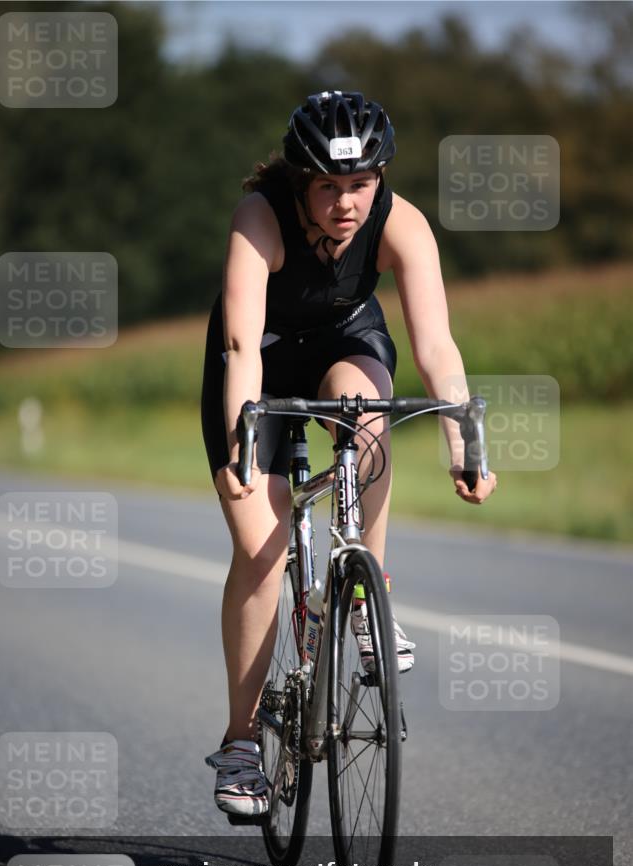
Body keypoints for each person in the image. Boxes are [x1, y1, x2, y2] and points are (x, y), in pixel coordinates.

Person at [201, 90, 497, 817]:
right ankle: (241, 744)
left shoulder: (402, 223)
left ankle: (366, 598)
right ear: (300, 180)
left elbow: (433, 346)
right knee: (262, 549)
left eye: (360, 184)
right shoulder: (259, 218)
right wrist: (244, 439)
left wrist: (462, 439)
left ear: (380, 178)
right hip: (259, 359)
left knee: (367, 418)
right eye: (328, 186)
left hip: (344, 341)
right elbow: (241, 342)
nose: (346, 203)